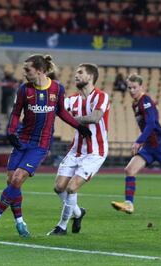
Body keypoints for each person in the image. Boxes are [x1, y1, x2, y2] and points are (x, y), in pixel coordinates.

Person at [0, 54, 92, 238]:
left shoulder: (57, 89)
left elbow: (62, 112)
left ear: (39, 71)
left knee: (17, 179)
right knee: (12, 182)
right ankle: (20, 222)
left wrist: (79, 127)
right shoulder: (24, 90)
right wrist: (11, 131)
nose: (24, 73)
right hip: (22, 140)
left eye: (28, 70)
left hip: (40, 145)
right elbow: (16, 113)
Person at [47, 63, 110, 235]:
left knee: (71, 188)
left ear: (90, 77)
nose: (76, 75)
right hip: (76, 150)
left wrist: (73, 119)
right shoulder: (72, 99)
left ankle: (62, 226)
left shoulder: (101, 96)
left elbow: (96, 117)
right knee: (59, 187)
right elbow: (55, 108)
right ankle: (78, 212)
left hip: (95, 152)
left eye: (80, 72)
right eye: (75, 72)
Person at [111, 74, 161, 214]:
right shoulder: (134, 104)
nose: (132, 90)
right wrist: (143, 141)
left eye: (135, 87)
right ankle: (129, 204)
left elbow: (152, 123)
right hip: (148, 147)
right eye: (129, 87)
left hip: (160, 146)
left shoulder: (145, 100)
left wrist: (139, 141)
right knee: (130, 169)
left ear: (141, 87)